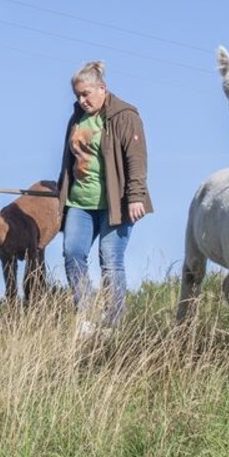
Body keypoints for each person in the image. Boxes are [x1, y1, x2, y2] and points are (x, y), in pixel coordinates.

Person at [57, 61, 152, 337]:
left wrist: (136, 196)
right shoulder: (77, 119)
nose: (82, 100)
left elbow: (136, 159)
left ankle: (112, 324)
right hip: (79, 202)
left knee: (110, 259)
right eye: (78, 95)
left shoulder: (125, 115)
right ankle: (86, 315)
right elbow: (67, 162)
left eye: (86, 94)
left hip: (116, 203)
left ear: (102, 88)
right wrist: (61, 194)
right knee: (73, 253)